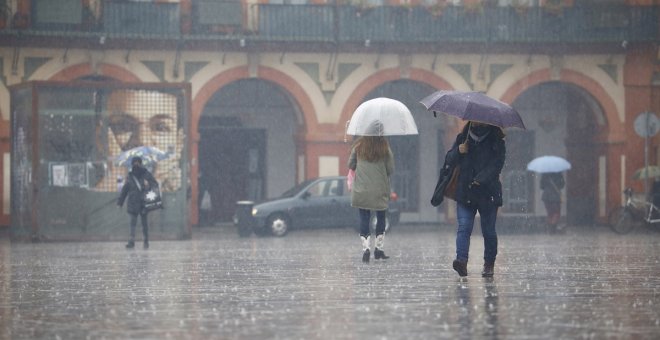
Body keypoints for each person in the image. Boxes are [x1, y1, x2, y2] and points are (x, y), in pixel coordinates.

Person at [443, 121, 506, 277]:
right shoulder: (463, 138)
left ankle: (489, 264)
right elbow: (449, 159)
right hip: (466, 192)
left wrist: (481, 179)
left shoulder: (496, 140)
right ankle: (461, 261)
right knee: (464, 227)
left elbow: (497, 164)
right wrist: (459, 150)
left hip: (488, 193)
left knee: (488, 231)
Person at [97, 89, 184, 192]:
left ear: (179, 142)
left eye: (160, 127)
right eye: (124, 126)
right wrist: (117, 174)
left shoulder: (185, 192)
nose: (143, 141)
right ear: (101, 138)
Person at [347, 135, 395, 263]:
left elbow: (351, 164)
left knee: (364, 218)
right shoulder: (385, 148)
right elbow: (390, 169)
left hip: (362, 189)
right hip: (379, 189)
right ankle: (378, 249)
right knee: (380, 217)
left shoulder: (358, 147)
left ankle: (366, 250)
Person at [117, 156, 159, 249]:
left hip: (143, 202)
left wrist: (147, 187)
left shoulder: (146, 174)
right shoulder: (130, 176)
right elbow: (125, 189)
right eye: (134, 162)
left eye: (137, 162)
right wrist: (120, 202)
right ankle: (132, 241)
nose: (136, 164)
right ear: (132, 164)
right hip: (133, 202)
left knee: (144, 224)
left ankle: (146, 241)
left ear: (140, 163)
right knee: (133, 223)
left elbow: (155, 185)